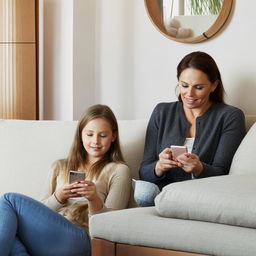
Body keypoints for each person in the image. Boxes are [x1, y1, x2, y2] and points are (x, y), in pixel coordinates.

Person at [0, 104, 135, 256]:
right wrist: (58, 197)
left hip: (81, 237)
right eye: (89, 134)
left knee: (8, 200)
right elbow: (40, 211)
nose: (96, 141)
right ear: (80, 135)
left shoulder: (118, 170)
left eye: (102, 135)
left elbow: (112, 227)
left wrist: (93, 199)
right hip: (48, 233)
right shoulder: (60, 166)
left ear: (113, 136)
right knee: (8, 225)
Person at [135, 51, 246, 207]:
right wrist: (159, 166)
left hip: (202, 196)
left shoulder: (230, 116)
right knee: (144, 191)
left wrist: (199, 169)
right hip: (162, 194)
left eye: (199, 87)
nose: (189, 94)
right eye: (184, 85)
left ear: (214, 85)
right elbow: (144, 171)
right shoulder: (162, 112)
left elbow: (224, 173)